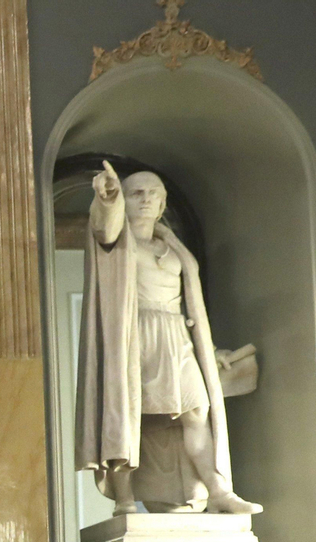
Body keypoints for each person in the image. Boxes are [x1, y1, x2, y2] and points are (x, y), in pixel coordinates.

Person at [76, 161, 261, 515]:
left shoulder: (173, 247)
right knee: (130, 416)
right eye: (136, 193)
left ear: (162, 204)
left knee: (196, 411)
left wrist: (209, 351)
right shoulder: (116, 244)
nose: (146, 200)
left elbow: (189, 307)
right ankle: (125, 499)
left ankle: (218, 490)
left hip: (176, 336)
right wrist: (108, 199)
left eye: (154, 194)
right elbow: (104, 226)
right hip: (134, 336)